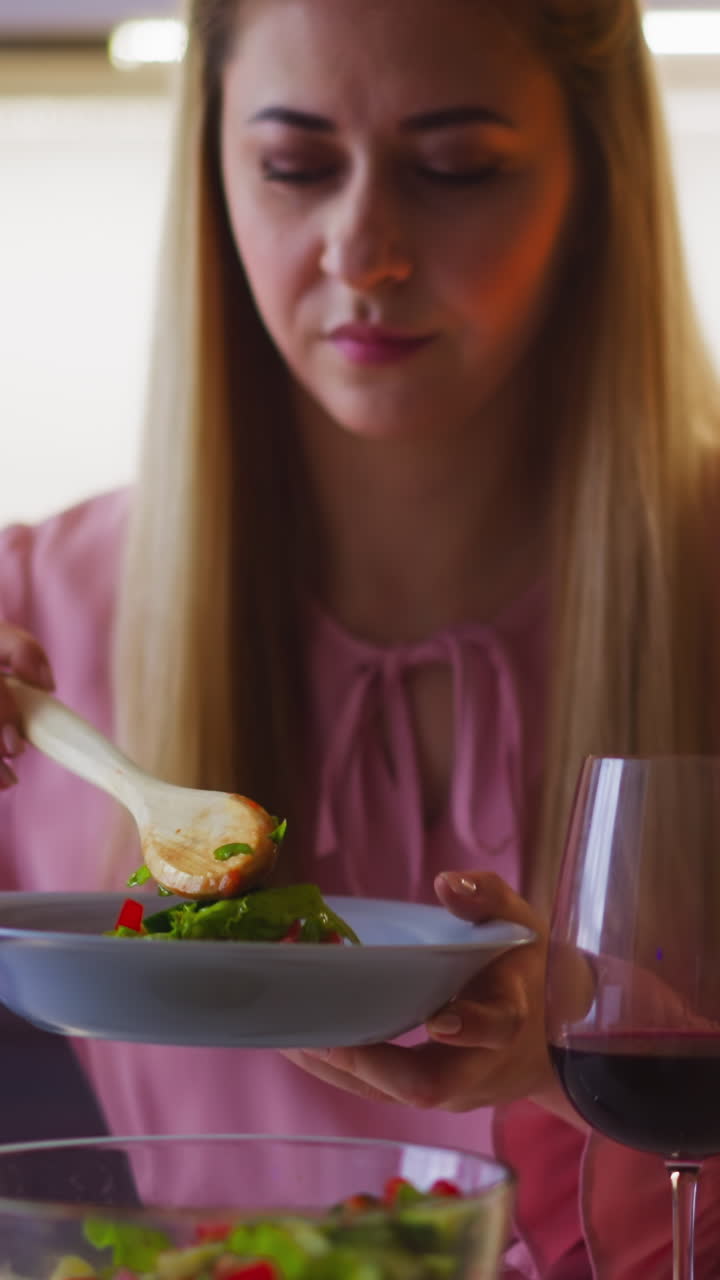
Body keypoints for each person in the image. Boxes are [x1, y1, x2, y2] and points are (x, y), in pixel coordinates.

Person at [1, 0, 719, 1273]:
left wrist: (574, 1063)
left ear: (594, 180)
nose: (364, 250)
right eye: (294, 167)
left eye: (455, 168)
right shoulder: (44, 615)